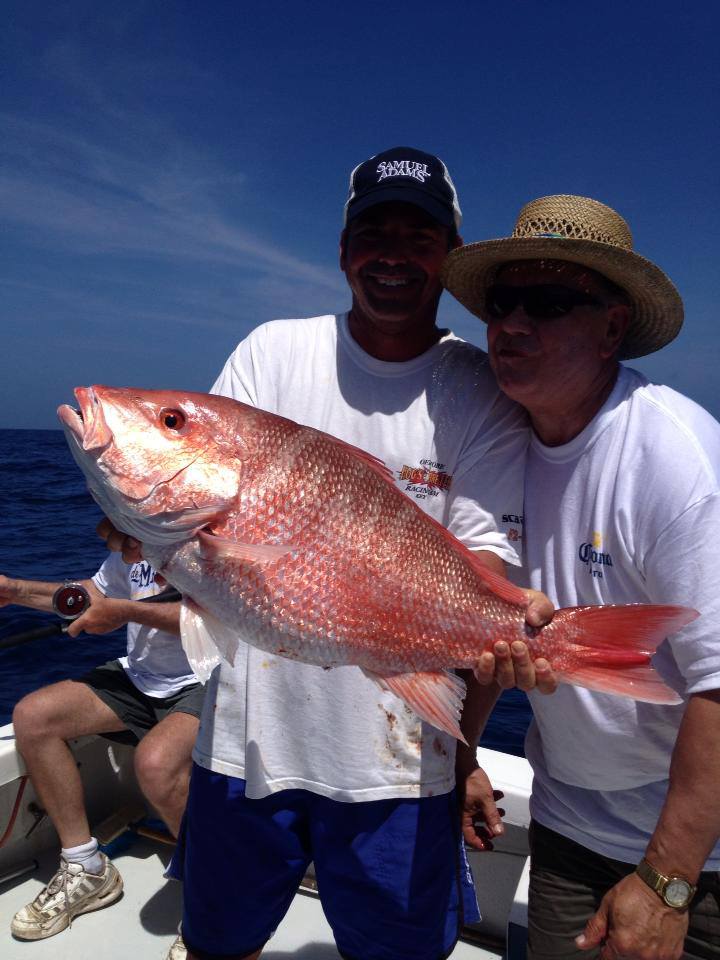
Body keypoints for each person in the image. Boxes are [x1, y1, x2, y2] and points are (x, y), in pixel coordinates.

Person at [103, 146, 556, 960]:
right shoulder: (272, 353)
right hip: (246, 750)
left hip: (398, 771)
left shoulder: (476, 389)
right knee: (213, 942)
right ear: (344, 250)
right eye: (372, 232)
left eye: (417, 237)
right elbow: (208, 560)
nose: (392, 254)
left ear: (449, 257)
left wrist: (463, 754)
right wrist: (142, 526)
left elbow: (489, 578)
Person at [442, 193, 720, 960]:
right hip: (567, 824)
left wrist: (666, 882)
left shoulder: (676, 460)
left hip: (695, 856)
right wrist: (464, 754)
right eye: (503, 302)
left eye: (551, 302)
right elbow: (497, 626)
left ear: (612, 328)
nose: (514, 324)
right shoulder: (500, 443)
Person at [3, 553, 203, 941]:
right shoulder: (135, 545)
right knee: (34, 717)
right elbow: (93, 593)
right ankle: (86, 867)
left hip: (208, 678)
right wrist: (17, 590)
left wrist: (125, 612)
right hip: (141, 677)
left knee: (157, 765)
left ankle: (214, 893)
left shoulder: (205, 547)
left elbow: (211, 620)